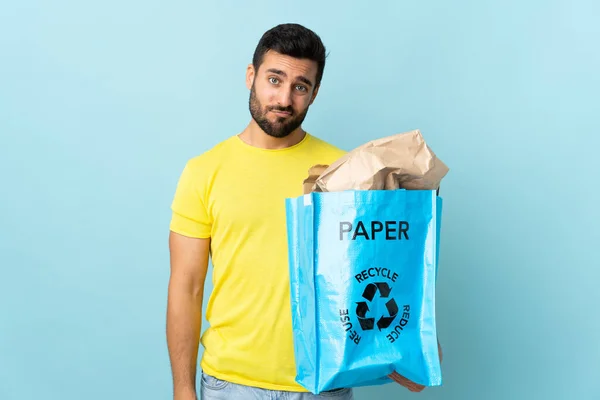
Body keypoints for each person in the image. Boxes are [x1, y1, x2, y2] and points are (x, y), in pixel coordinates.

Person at [166, 23, 439, 400]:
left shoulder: (345, 172)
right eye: (274, 79)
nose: (284, 98)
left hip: (321, 383)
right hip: (230, 383)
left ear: (314, 93)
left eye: (300, 86)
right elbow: (186, 286)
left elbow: (381, 262)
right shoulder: (204, 171)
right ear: (251, 76)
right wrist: (182, 388)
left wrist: (413, 345)